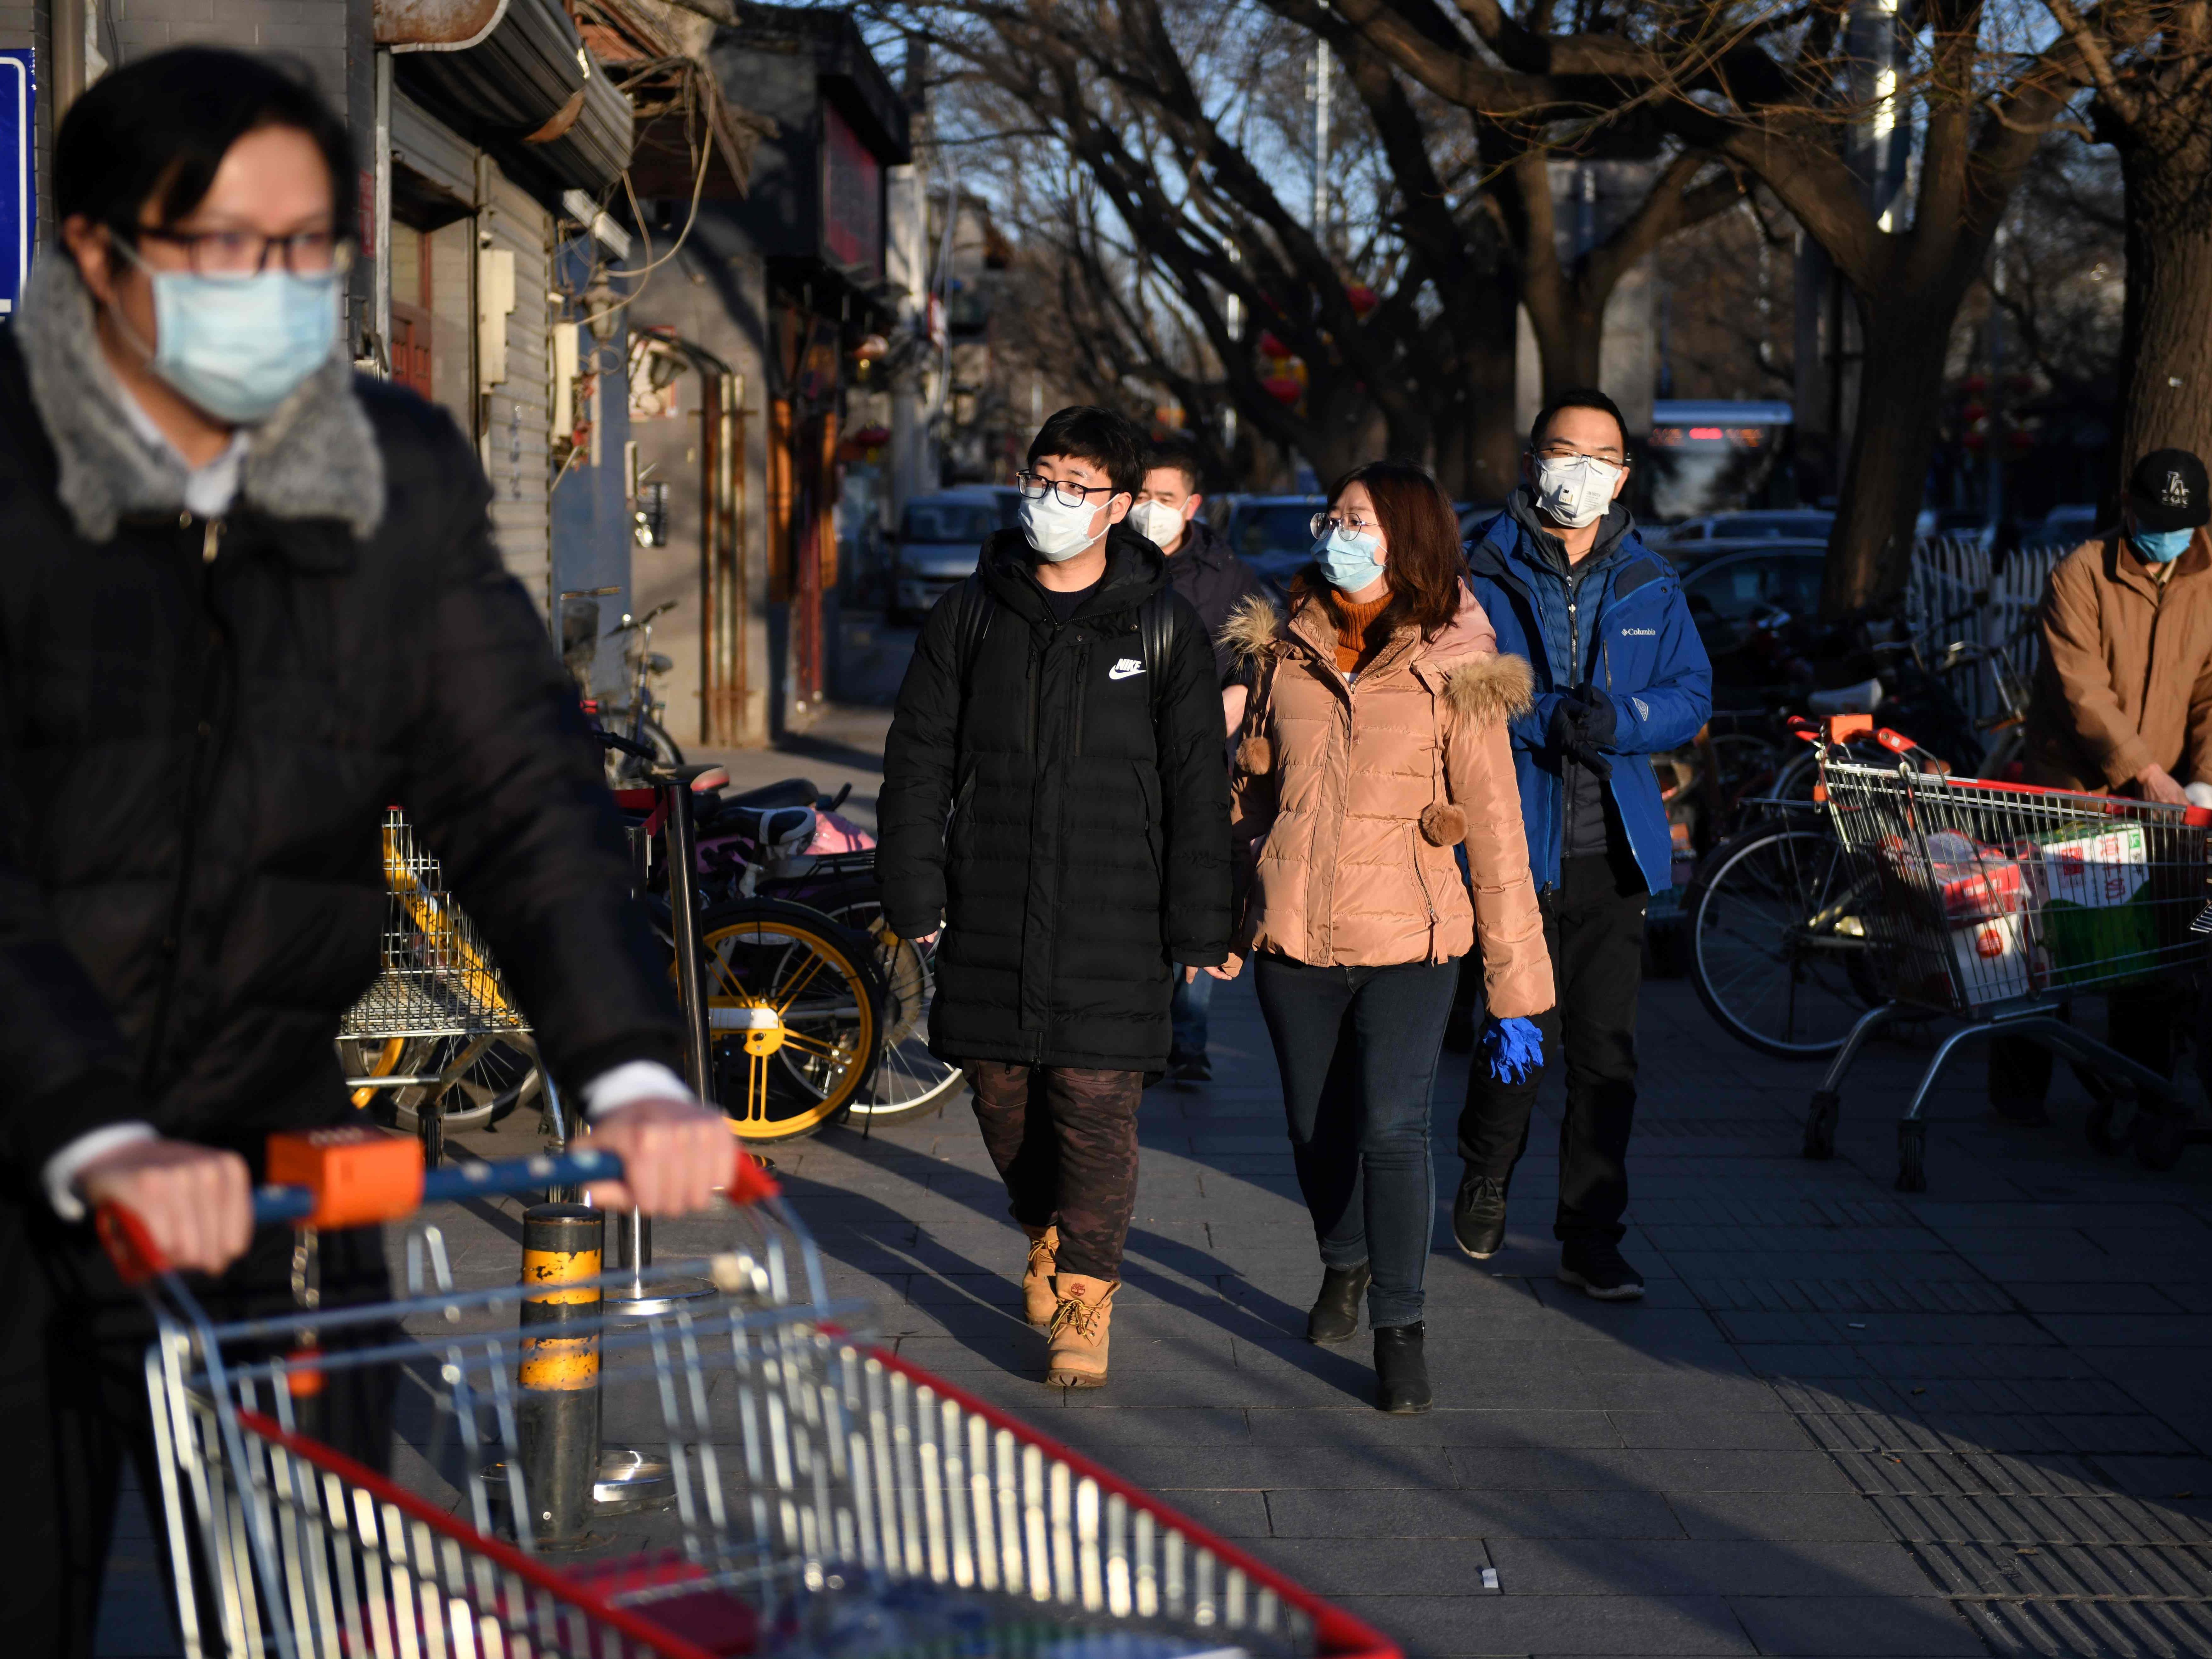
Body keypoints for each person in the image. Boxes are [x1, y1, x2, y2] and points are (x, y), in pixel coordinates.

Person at [0, 50, 728, 1655]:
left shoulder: (383, 475)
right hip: (30, 1138)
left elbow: (515, 781)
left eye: (309, 246)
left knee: (302, 1597)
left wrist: (625, 1063)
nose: (276, 290)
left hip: (272, 1158)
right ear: (99, 253)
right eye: (227, 249)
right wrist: (91, 1125)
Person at [877, 405, 1231, 1389]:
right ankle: (1043, 1228)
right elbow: (917, 762)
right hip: (988, 898)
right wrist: (911, 883)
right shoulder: (971, 616)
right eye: (1043, 478)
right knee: (1001, 1101)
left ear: (1118, 506)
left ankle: (1086, 1292)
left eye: (1078, 486)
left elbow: (1199, 781)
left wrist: (1204, 921)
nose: (1054, 501)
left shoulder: (1161, 627)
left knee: (1092, 1103)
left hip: (1116, 915)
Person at [1216, 462, 1552, 1413]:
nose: (1337, 529)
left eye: (1358, 517)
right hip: (1294, 940)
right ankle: (1344, 1261)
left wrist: (1515, 980)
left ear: (1405, 537)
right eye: (1334, 515)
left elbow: (1493, 826)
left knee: (1393, 1130)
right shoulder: (1283, 648)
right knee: (1312, 1128)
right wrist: (1221, 919)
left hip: (1413, 939)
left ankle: (1400, 1328)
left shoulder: (1457, 664)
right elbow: (1251, 798)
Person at [1461, 389, 1713, 1300]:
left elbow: (1692, 692)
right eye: (1563, 453)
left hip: (1613, 856)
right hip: (1516, 852)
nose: (1580, 473)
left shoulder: (1650, 579)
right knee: (1518, 1036)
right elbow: (1455, 690)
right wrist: (1537, 717)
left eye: (1599, 457)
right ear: (1533, 464)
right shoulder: (1480, 572)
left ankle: (1590, 1235)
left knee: (1606, 1055)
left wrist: (1624, 718)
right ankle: (1487, 1167)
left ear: (1622, 474)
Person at [1990, 446, 2212, 1121]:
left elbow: (2209, 693)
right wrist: (2144, 771)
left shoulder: (2207, 579)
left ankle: (2143, 1088)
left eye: (2185, 524)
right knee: (2052, 941)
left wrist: (2200, 779)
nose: (2169, 537)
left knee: (2146, 945)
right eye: (2158, 520)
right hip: (2074, 785)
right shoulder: (2079, 574)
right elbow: (2083, 691)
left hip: (2165, 798)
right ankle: (2020, 1092)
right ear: (2128, 509)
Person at [1128, 439, 1270, 1084]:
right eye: (1142, 497)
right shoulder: (1106, 561)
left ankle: (1188, 1040)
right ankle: (1139, 1029)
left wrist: (1237, 695)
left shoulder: (1226, 576)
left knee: (1196, 894)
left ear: (1191, 504)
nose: (1150, 512)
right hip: (1122, 761)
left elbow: (1258, 649)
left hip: (1201, 763)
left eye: (1165, 499)